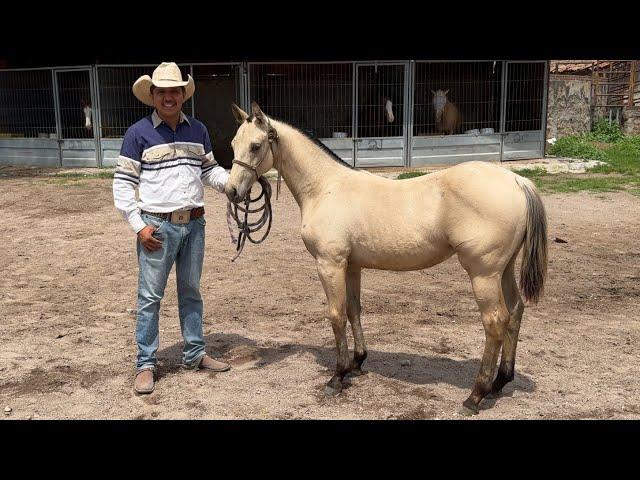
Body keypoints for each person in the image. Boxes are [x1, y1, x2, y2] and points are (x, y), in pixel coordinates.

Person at [113, 62, 231, 395]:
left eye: (174, 91)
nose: (169, 97)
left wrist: (232, 183)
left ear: (183, 94)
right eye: (162, 92)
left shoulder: (199, 130)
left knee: (191, 291)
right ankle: (145, 364)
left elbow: (208, 171)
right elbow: (123, 184)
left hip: (194, 224)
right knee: (150, 297)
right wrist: (139, 226)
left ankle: (194, 354)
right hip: (157, 228)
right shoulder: (138, 134)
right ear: (152, 95)